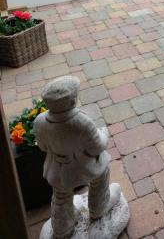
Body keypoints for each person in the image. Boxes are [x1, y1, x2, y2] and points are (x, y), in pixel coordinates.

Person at [34, 76, 121, 239]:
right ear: (73, 101)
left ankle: (62, 228)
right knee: (101, 173)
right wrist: (104, 133)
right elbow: (97, 147)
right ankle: (98, 208)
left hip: (57, 169)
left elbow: (42, 146)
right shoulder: (81, 122)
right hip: (84, 168)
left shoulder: (40, 121)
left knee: (60, 195)